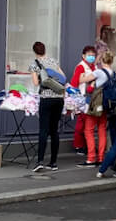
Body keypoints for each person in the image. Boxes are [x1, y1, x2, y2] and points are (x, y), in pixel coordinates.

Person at [29, 41, 66, 173]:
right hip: (59, 99)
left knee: (43, 130)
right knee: (54, 130)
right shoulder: (53, 61)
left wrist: (42, 79)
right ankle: (53, 162)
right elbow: (63, 77)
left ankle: (40, 161)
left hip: (46, 98)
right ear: (45, 50)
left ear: (34, 51)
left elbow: (35, 82)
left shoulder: (34, 64)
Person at [78, 51, 116, 167]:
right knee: (102, 130)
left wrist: (82, 76)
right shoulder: (113, 73)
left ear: (101, 61)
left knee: (88, 130)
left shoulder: (99, 72)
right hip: (106, 105)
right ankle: (101, 158)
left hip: (96, 104)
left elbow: (82, 80)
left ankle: (91, 158)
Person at [70, 45, 97, 155]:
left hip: (91, 97)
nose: (91, 57)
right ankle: (79, 145)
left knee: (88, 124)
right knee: (82, 123)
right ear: (83, 56)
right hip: (82, 97)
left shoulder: (93, 67)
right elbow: (74, 83)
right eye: (89, 55)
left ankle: (86, 145)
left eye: (93, 55)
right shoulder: (81, 67)